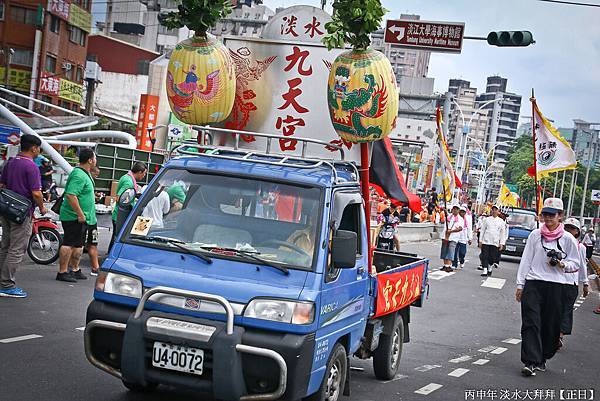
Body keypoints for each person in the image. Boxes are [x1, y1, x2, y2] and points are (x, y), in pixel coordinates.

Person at [516, 198, 581, 377]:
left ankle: (543, 357)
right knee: (531, 322)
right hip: (534, 283)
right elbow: (526, 260)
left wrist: (562, 265)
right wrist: (520, 284)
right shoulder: (535, 235)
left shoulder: (568, 239)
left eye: (552, 215)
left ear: (560, 216)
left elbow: (576, 263)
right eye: (545, 214)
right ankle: (530, 361)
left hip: (557, 286)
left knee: (550, 325)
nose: (548, 218)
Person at [0, 135, 48, 298]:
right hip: (22, 213)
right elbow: (36, 193)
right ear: (34, 148)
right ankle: (6, 285)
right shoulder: (31, 167)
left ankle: (1, 282)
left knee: (5, 245)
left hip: (6, 210)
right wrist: (42, 207)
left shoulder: (10, 162)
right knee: (17, 248)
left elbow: (2, 185)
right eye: (39, 148)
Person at [57, 148, 97, 282]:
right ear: (90, 160)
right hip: (73, 216)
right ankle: (62, 272)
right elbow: (70, 195)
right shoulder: (79, 174)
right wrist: (80, 214)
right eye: (95, 158)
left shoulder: (86, 174)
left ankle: (74, 269)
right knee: (69, 243)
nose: (96, 160)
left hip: (83, 217)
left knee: (78, 245)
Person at [559, 218, 589, 348]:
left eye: (572, 228)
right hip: (556, 281)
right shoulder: (557, 242)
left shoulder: (580, 247)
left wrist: (585, 283)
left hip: (571, 283)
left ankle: (559, 335)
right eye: (567, 228)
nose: (569, 231)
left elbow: (582, 265)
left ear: (577, 232)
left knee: (566, 310)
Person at [109, 162, 147, 250]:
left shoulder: (126, 177)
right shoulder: (129, 182)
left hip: (118, 214)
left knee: (115, 237)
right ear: (139, 172)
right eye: (144, 173)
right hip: (121, 216)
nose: (144, 176)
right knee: (117, 238)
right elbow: (119, 197)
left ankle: (109, 254)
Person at [478, 205, 506, 277]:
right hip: (486, 241)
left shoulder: (501, 221)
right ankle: (485, 270)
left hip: (495, 242)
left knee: (492, 257)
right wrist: (480, 240)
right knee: (484, 256)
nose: (494, 211)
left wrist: (502, 243)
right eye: (493, 210)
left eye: (496, 210)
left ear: (498, 211)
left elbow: (503, 233)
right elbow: (483, 230)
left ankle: (490, 268)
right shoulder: (486, 220)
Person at [440, 204, 463, 272]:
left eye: (456, 209)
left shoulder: (460, 219)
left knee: (450, 251)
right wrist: (445, 212)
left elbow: (460, 228)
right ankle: (445, 265)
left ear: (458, 210)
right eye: (454, 209)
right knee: (444, 251)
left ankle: (449, 265)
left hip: (453, 237)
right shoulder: (449, 216)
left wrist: (451, 231)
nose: (455, 210)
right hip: (445, 236)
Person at [452, 205, 472, 269]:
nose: (462, 213)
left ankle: (462, 260)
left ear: (465, 213)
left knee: (462, 253)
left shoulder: (468, 220)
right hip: (456, 238)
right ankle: (454, 264)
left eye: (463, 212)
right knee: (454, 252)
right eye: (461, 212)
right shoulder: (456, 218)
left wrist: (470, 238)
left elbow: (469, 229)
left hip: (463, 238)